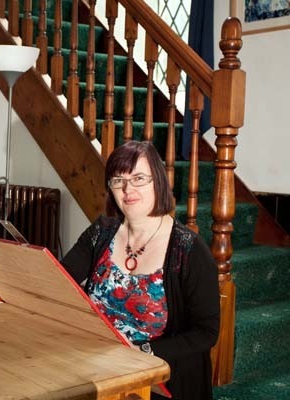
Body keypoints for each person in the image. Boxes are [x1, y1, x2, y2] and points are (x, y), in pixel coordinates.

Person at [61, 141, 220, 400]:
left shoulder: (189, 250)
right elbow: (61, 281)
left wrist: (142, 350)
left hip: (157, 378)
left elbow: (206, 333)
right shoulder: (101, 231)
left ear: (157, 180)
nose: (127, 189)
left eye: (138, 178)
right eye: (118, 180)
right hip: (97, 365)